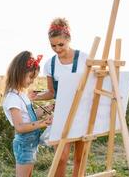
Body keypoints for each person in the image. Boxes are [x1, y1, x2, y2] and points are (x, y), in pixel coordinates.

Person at [29, 18, 88, 177]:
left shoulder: (84, 58)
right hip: (61, 115)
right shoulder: (50, 64)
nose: (57, 49)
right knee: (60, 158)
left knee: (79, 158)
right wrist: (36, 97)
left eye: (60, 45)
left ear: (68, 40)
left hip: (82, 113)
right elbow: (51, 93)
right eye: (53, 45)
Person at [2, 51, 53, 177]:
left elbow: (29, 116)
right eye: (31, 77)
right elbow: (20, 126)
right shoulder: (12, 98)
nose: (32, 81)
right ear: (19, 73)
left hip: (30, 143)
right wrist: (43, 123)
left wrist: (47, 109)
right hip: (24, 144)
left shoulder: (21, 95)